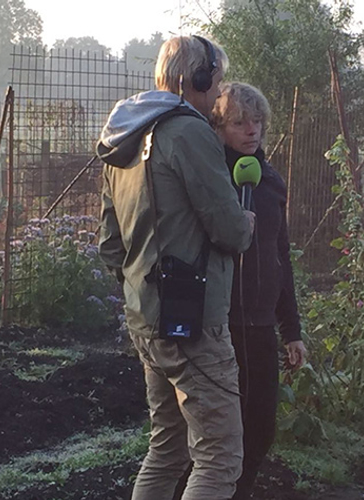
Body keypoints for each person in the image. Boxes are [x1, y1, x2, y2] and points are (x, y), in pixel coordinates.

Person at [97, 36, 255, 500]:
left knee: (166, 449)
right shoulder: (187, 132)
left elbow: (110, 246)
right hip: (194, 323)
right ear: (197, 79)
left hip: (147, 319)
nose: (218, 90)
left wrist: (142, 289)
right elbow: (229, 229)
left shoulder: (124, 135)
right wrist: (246, 222)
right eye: (216, 79)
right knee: (220, 457)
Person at [212, 82, 307, 500]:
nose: (252, 130)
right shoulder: (210, 180)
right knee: (216, 438)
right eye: (239, 122)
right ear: (218, 128)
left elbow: (279, 255)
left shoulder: (270, 181)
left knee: (261, 430)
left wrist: (292, 329)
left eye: (258, 122)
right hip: (218, 325)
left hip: (261, 325)